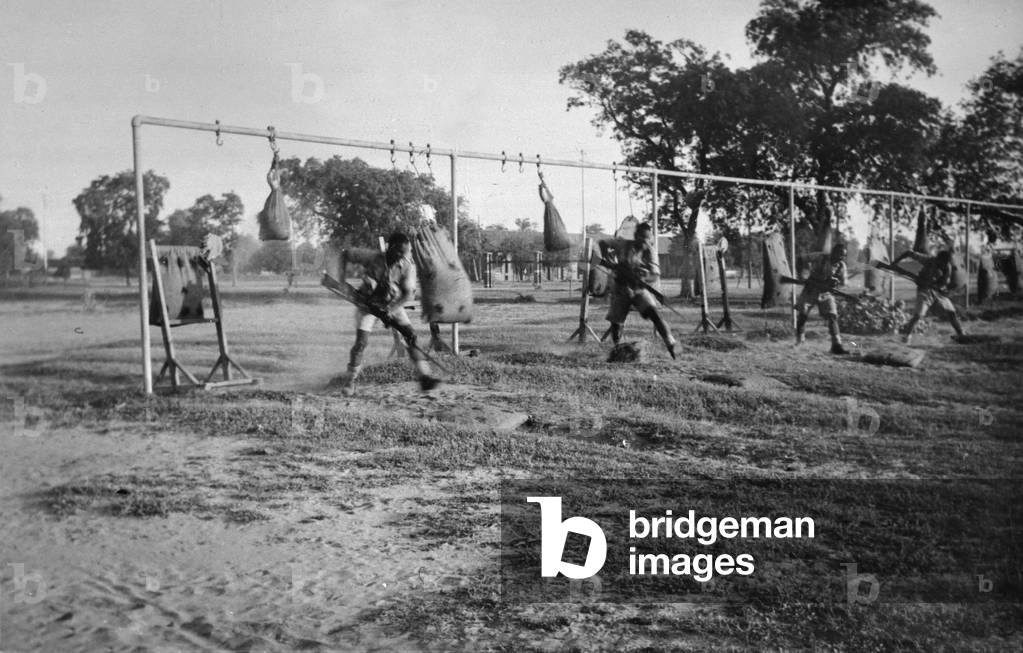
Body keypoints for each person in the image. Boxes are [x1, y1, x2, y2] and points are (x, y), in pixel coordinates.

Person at [340, 232, 440, 396]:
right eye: (400, 252)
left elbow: (408, 294)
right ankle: (350, 381)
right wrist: (340, 277)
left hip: (392, 304)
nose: (404, 256)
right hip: (367, 305)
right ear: (391, 248)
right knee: (361, 343)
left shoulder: (408, 266)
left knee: (411, 337)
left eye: (407, 252)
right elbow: (345, 254)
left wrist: (390, 311)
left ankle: (425, 378)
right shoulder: (373, 257)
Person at [599, 222, 678, 359]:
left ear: (651, 238)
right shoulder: (622, 244)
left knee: (655, 314)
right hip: (620, 289)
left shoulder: (651, 252)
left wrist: (643, 277)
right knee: (616, 322)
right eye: (641, 238)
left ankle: (671, 344)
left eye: (647, 239)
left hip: (639, 290)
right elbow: (602, 242)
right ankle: (617, 351)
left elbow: (655, 274)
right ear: (636, 236)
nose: (644, 241)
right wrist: (609, 260)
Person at [893, 249, 966, 344]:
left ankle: (961, 334)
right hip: (924, 291)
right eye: (941, 262)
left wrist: (936, 285)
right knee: (918, 315)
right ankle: (906, 338)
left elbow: (944, 282)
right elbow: (908, 253)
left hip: (938, 292)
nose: (943, 265)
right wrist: (895, 262)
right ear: (937, 259)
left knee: (951, 313)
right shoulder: (928, 260)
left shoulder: (947, 267)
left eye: (945, 263)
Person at [795, 242, 849, 354]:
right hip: (811, 289)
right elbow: (800, 259)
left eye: (843, 256)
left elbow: (843, 283)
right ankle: (800, 342)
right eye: (839, 254)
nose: (840, 257)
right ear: (833, 252)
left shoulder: (841, 267)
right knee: (803, 313)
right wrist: (802, 275)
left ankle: (837, 345)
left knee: (832, 316)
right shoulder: (820, 256)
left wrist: (835, 284)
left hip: (826, 293)